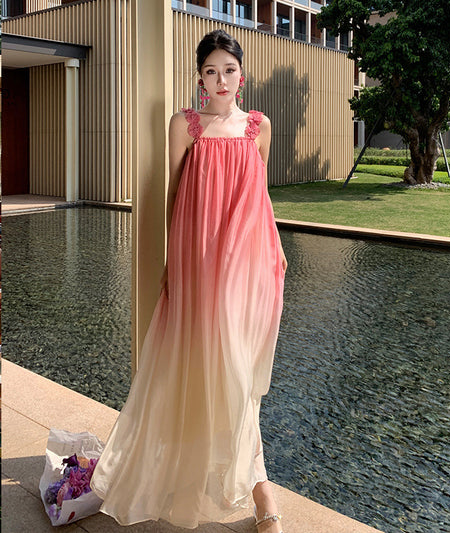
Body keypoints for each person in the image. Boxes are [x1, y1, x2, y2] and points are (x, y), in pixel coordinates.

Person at [89, 29, 287, 533]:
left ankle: (259, 494)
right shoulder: (185, 125)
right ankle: (259, 497)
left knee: (239, 379)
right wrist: (174, 266)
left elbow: (259, 196)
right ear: (199, 77)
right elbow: (176, 195)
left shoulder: (259, 127)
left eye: (228, 70)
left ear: (243, 75)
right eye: (210, 71)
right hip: (201, 264)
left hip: (250, 265)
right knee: (212, 374)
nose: (220, 80)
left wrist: (279, 249)